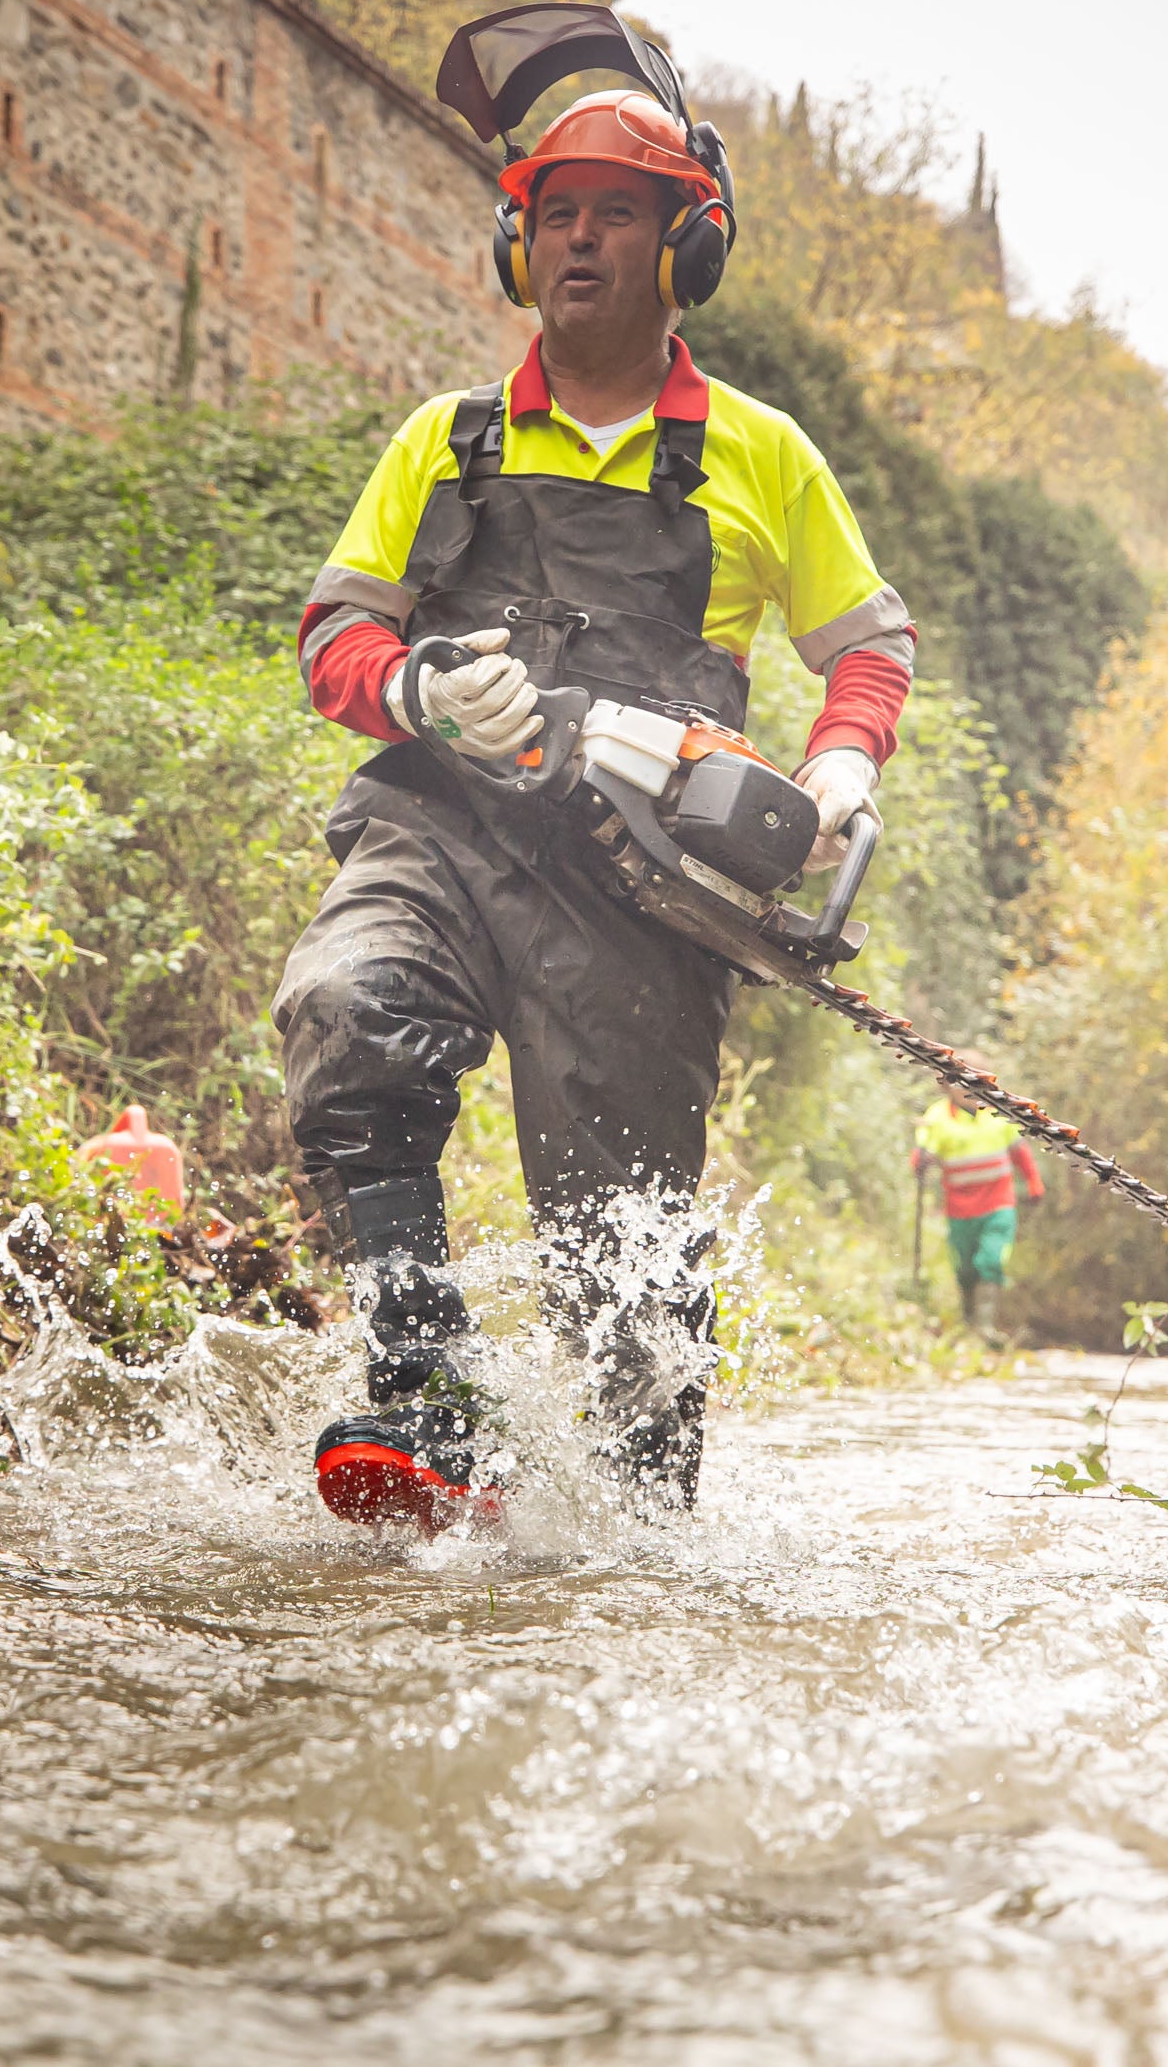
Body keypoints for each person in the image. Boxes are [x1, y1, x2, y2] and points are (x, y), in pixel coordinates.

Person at [279, 85, 916, 1520]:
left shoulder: (762, 454)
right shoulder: (443, 441)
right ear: (519, 243)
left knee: (621, 1271)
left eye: (613, 215)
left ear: (685, 246)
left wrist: (836, 769)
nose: (577, 241)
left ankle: (637, 1541)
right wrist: (420, 692)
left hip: (642, 892)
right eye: (553, 214)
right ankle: (423, 1386)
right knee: (344, 1011)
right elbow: (334, 638)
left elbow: (865, 645)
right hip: (435, 830)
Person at [914, 1058, 1042, 1335]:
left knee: (991, 1260)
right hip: (960, 1210)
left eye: (974, 1081)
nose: (967, 1088)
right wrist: (920, 1161)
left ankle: (985, 1327)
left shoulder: (998, 1113)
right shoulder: (937, 1118)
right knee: (965, 1268)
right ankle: (969, 1320)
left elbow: (1019, 1151)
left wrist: (1033, 1182)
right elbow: (924, 1152)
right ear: (947, 1085)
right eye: (959, 1081)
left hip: (998, 1205)